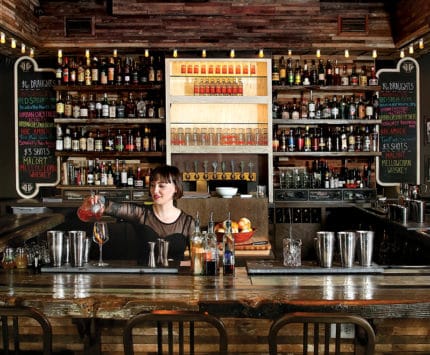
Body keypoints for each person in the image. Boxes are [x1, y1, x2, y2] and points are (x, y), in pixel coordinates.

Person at [93, 165, 194, 265]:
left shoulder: (187, 222)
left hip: (176, 279)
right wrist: (97, 200)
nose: (155, 190)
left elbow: (197, 260)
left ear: (176, 188)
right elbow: (111, 207)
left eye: (161, 186)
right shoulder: (140, 213)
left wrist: (177, 264)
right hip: (144, 277)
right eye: (152, 185)